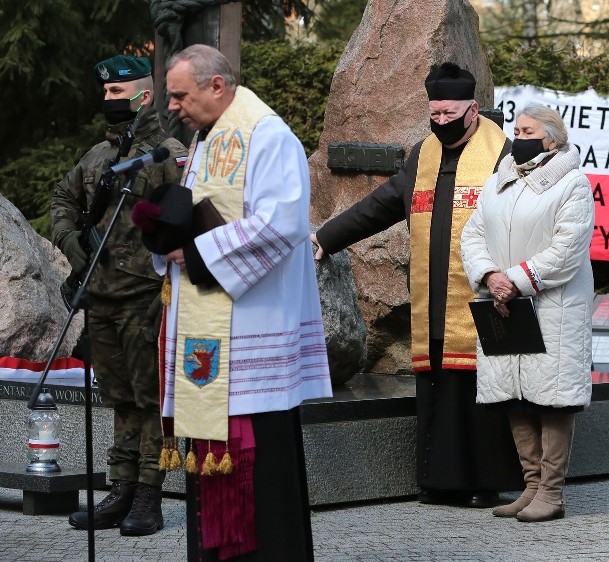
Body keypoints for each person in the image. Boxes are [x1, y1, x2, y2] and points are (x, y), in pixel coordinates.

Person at [312, 62, 521, 508]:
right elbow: (382, 205)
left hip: (486, 296)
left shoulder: (503, 154)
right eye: (435, 115)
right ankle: (440, 481)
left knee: (481, 391)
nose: (441, 122)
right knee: (440, 388)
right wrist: (327, 237)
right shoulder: (422, 155)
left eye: (449, 114)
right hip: (435, 298)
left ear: (473, 109)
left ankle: (486, 482)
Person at [151, 43, 332, 561]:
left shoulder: (267, 135)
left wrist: (199, 251)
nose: (173, 107)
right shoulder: (206, 137)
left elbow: (283, 223)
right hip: (214, 334)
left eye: (181, 95)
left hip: (253, 334)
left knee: (262, 472)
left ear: (216, 86)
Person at [52, 55, 187, 536]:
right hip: (102, 298)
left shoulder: (167, 155)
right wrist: (74, 245)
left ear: (143, 96)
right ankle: (121, 487)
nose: (107, 100)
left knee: (149, 399)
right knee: (118, 398)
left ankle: (149, 494)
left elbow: (187, 221)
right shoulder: (96, 157)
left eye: (116, 92)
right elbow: (62, 202)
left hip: (146, 298)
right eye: (105, 92)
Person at [460, 103, 594, 522]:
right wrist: (489, 276)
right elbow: (473, 234)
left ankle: (551, 493)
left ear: (551, 139)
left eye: (528, 130)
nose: (518, 136)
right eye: (516, 129)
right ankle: (531, 486)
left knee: (551, 399)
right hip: (505, 305)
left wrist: (515, 279)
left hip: (553, 307)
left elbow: (567, 249)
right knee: (515, 395)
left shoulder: (573, 184)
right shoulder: (497, 181)